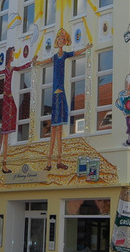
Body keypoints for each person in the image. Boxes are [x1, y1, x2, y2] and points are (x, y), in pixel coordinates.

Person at [36, 28, 91, 170]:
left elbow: (75, 53)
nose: (61, 41)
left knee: (59, 128)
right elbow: (45, 61)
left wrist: (86, 48)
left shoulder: (65, 54)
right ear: (57, 42)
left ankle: (58, 160)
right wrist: (37, 62)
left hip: (61, 93)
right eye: (59, 39)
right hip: (56, 94)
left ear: (65, 42)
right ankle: (49, 161)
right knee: (55, 128)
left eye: (63, 39)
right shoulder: (55, 57)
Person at [0, 46, 34, 175]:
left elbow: (21, 68)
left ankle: (1, 164)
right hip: (7, 102)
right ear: (9, 56)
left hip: (10, 101)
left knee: (6, 135)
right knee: (4, 135)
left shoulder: (11, 69)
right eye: (13, 54)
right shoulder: (6, 70)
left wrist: (31, 62)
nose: (14, 56)